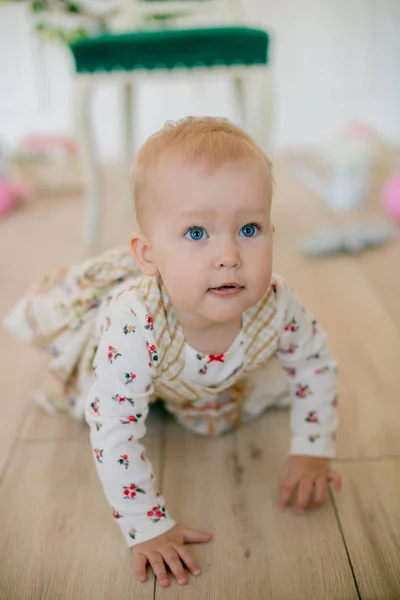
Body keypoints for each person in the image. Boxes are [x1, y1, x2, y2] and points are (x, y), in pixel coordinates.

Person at [3, 116, 341, 588]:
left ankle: (191, 390)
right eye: (197, 234)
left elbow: (314, 364)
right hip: (129, 361)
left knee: (243, 392)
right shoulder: (134, 321)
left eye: (249, 228)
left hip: (194, 377)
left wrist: (312, 447)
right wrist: (145, 524)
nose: (229, 256)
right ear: (148, 255)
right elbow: (115, 427)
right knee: (105, 401)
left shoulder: (278, 303)